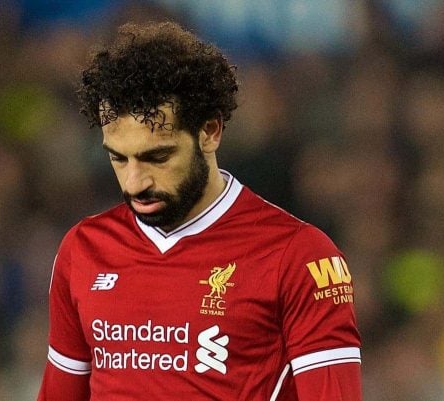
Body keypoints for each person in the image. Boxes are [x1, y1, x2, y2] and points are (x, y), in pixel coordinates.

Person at [37, 21, 362, 401]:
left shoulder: (298, 256)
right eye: (118, 158)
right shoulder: (83, 250)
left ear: (210, 131)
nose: (134, 182)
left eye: (157, 156)